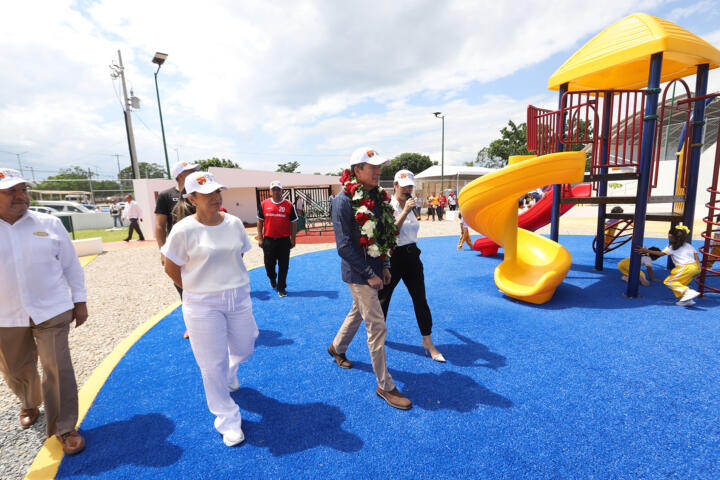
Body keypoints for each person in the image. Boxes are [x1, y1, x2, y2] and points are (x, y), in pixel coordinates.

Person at [161, 171, 258, 447]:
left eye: (218, 192)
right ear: (192, 198)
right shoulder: (183, 230)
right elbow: (170, 267)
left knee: (246, 345)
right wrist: (195, 289)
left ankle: (230, 369)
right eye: (208, 194)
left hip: (237, 296)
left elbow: (237, 255)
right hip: (202, 303)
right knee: (210, 364)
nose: (216, 198)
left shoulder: (235, 223)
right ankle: (227, 419)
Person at [0, 168, 88, 455]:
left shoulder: (49, 223)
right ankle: (29, 401)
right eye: (11, 191)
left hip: (51, 309)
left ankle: (65, 427)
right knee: (15, 368)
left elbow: (71, 265)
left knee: (57, 368)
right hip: (5, 315)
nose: (20, 195)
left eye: (22, 189)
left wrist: (80, 300)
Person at [327, 147, 412, 410]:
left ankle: (337, 347)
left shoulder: (378, 198)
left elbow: (384, 235)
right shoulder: (342, 201)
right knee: (377, 325)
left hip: (375, 269)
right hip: (358, 273)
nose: (378, 171)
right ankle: (384, 385)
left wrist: (385, 264)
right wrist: (369, 274)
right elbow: (343, 246)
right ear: (356, 171)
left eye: (379, 167)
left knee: (358, 311)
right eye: (371, 167)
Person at [378, 170, 445, 363]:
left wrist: (409, 210)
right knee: (384, 299)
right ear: (395, 185)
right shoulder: (386, 207)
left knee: (420, 299)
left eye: (410, 186)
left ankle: (428, 341)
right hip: (392, 258)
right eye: (404, 185)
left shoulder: (411, 205)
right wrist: (405, 211)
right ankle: (378, 337)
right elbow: (391, 234)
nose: (407, 189)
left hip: (412, 256)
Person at [155, 161, 201, 339]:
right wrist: (162, 252)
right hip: (179, 250)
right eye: (190, 172)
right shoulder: (167, 196)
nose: (194, 174)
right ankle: (192, 324)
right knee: (184, 288)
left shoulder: (198, 192)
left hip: (199, 248)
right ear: (180, 175)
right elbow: (160, 226)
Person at [636, 224, 701, 306]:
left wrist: (646, 250)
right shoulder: (688, 245)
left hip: (685, 267)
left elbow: (660, 253)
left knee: (669, 281)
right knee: (680, 283)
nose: (668, 237)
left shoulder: (671, 247)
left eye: (669, 236)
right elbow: (696, 256)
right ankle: (685, 300)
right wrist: (699, 267)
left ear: (674, 238)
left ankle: (687, 291)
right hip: (694, 267)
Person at [257, 180, 298, 297]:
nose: (276, 191)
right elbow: (260, 222)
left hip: (284, 241)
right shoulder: (264, 204)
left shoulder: (289, 205)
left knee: (284, 265)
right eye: (273, 189)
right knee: (269, 265)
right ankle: (272, 279)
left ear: (282, 191)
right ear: (270, 191)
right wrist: (260, 238)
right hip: (268, 240)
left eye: (278, 189)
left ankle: (281, 287)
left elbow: (293, 223)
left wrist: (293, 238)